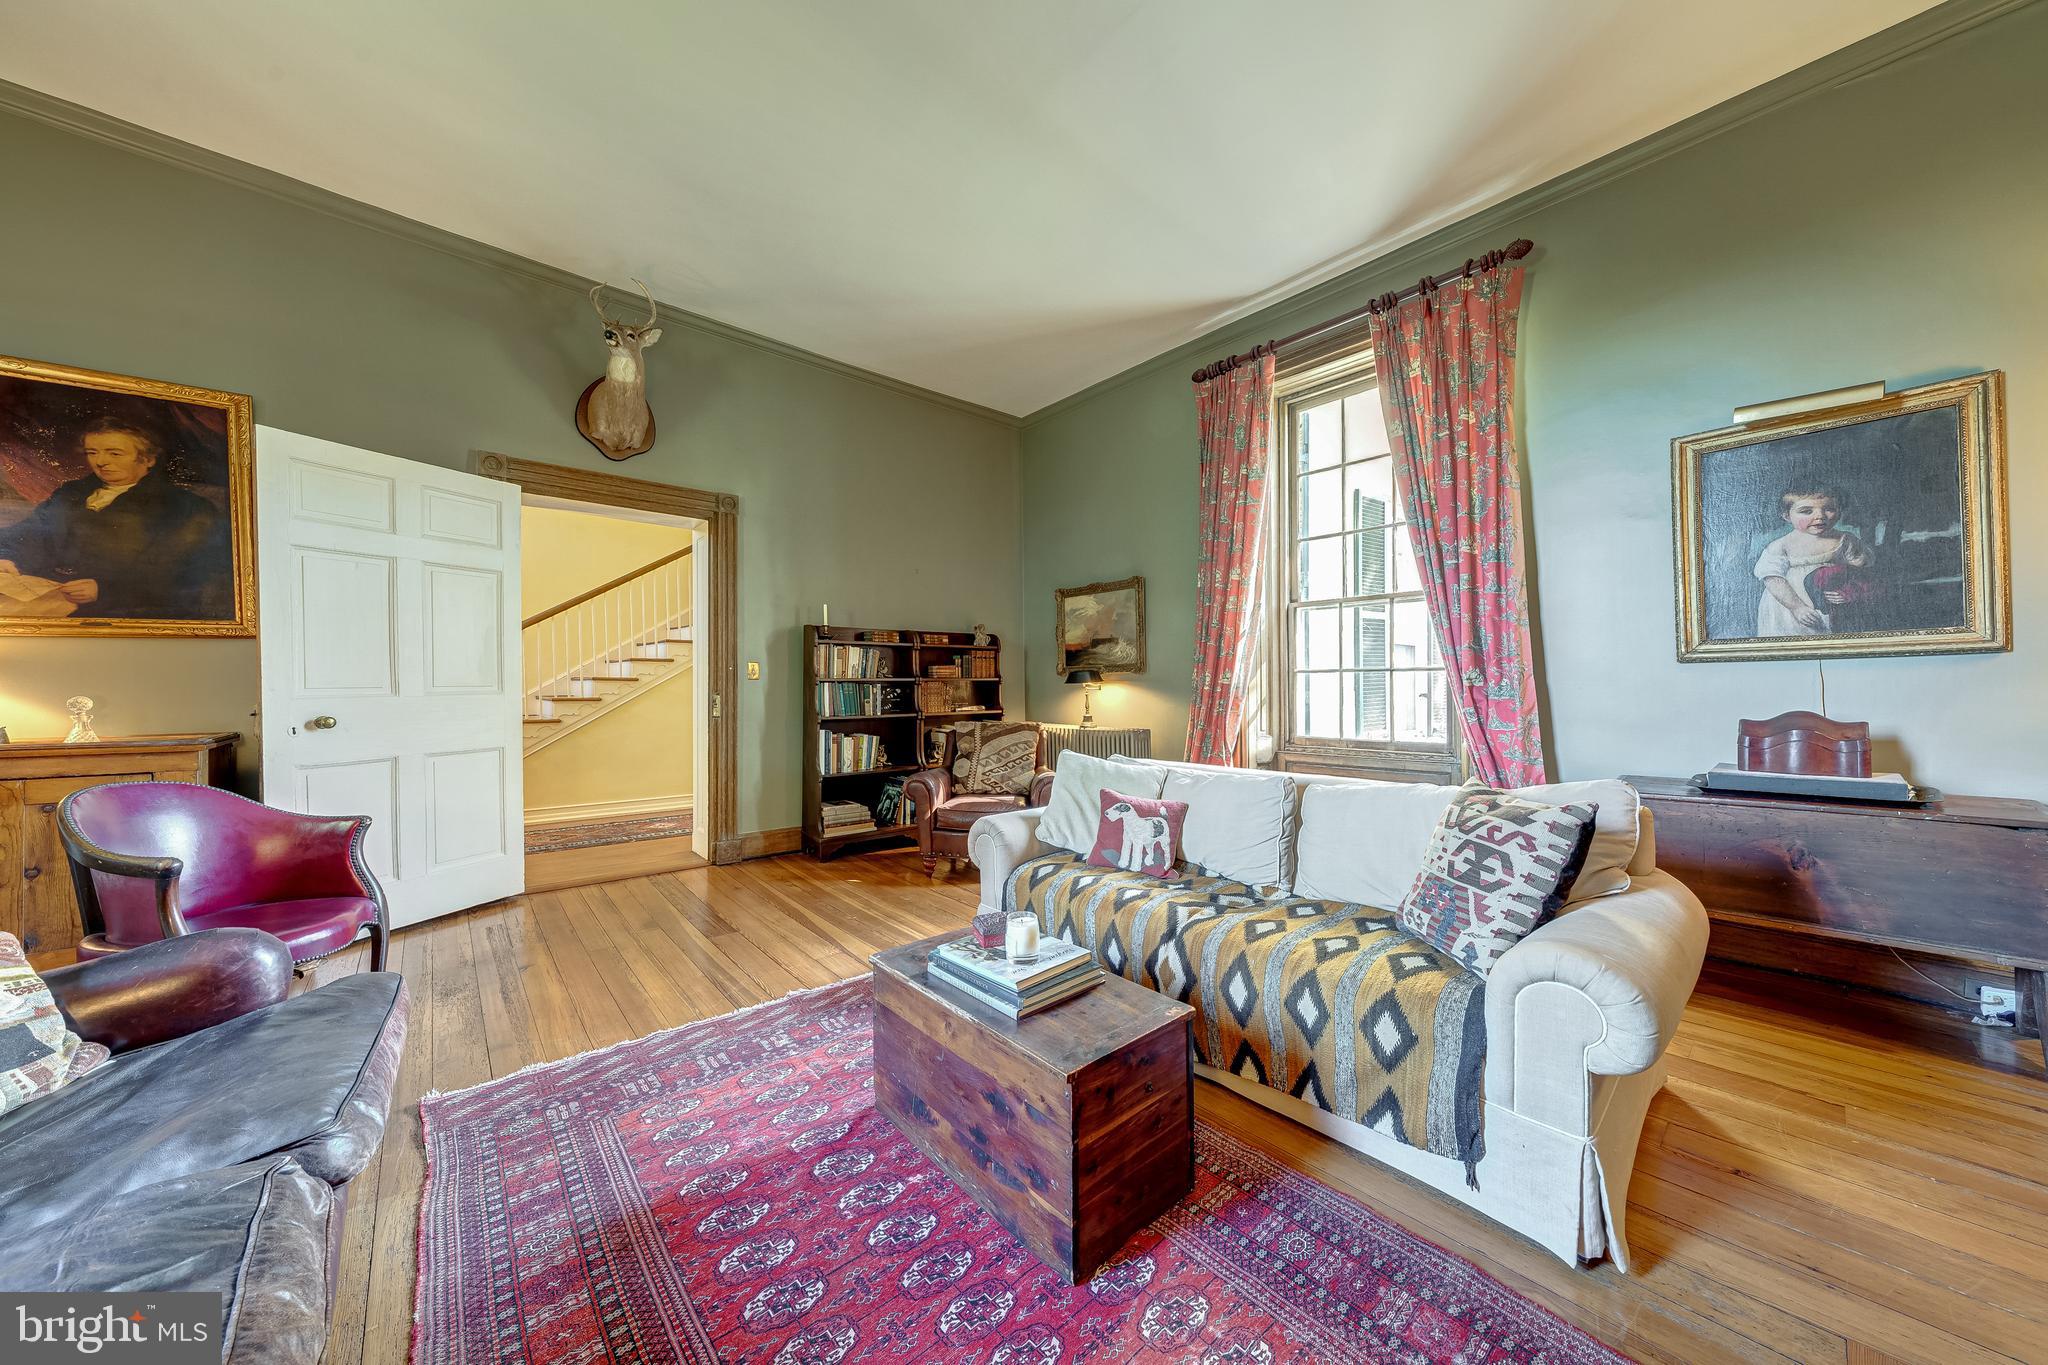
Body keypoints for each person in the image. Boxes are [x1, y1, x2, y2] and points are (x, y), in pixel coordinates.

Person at [0, 419, 228, 619]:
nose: (100, 462)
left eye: (115, 453)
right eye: (92, 452)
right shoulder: (70, 492)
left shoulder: (186, 507)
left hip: (123, 610)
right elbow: (31, 531)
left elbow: (180, 573)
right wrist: (9, 556)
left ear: (148, 459)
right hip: (47, 594)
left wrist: (106, 590)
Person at [1753, 486, 1873, 637]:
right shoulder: (1781, 546)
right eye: (1806, 511)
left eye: (1829, 509)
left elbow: (1861, 571)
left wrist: (1849, 591)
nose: (1820, 516)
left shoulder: (1845, 539)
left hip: (1834, 602)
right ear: (1787, 516)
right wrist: (1797, 608)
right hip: (1789, 607)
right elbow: (1773, 579)